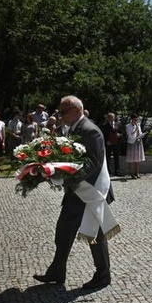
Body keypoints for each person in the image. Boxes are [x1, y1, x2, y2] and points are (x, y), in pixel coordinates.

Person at [34, 95, 118, 289]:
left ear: (76, 111)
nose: (60, 115)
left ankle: (103, 275)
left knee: (95, 235)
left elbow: (92, 164)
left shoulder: (91, 131)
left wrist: (65, 177)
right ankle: (57, 272)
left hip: (92, 190)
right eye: (60, 111)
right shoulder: (74, 129)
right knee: (63, 231)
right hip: (76, 191)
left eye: (64, 111)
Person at [125, 114, 146, 179]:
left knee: (137, 159)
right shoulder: (128, 126)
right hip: (132, 143)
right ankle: (132, 173)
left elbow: (140, 132)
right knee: (132, 159)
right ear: (132, 119)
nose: (136, 121)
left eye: (137, 119)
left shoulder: (138, 125)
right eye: (135, 119)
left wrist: (141, 135)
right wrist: (135, 130)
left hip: (138, 142)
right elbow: (130, 135)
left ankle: (137, 173)